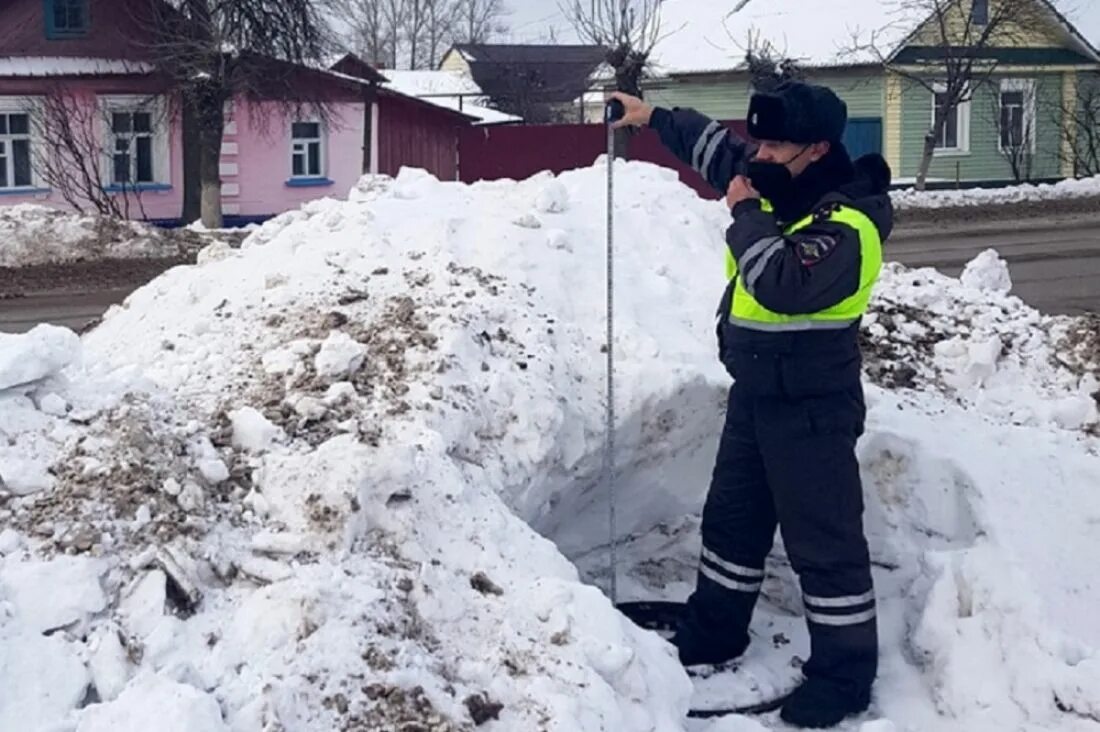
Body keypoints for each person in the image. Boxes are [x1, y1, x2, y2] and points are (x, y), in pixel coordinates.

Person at [610, 82, 893, 729]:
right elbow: (717, 150)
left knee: (825, 547)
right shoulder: (777, 183)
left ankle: (844, 676)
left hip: (814, 408)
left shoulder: (850, 223)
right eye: (759, 140)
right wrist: (652, 116)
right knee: (731, 526)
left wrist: (745, 213)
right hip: (758, 394)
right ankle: (715, 630)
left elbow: (780, 280)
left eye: (774, 143)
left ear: (817, 148)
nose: (758, 153)